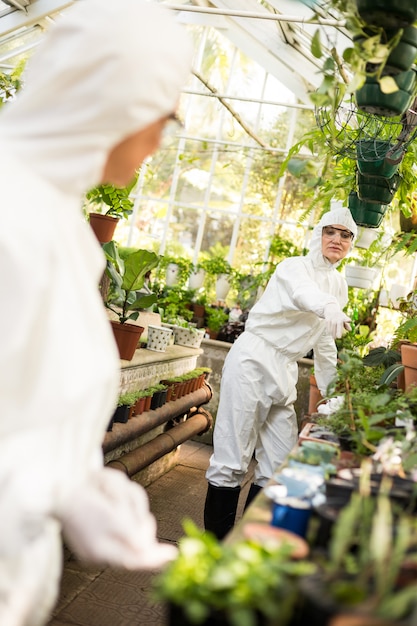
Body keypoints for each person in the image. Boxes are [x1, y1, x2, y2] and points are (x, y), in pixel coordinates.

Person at [0, 1, 192, 625]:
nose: (161, 140)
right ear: (119, 103)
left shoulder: (64, 227)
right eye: (166, 117)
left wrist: (79, 482)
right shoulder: (12, 221)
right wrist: (58, 488)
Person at [204, 206, 358, 539]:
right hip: (254, 359)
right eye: (331, 231)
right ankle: (214, 548)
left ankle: (244, 544)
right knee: (232, 459)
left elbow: (325, 345)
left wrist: (331, 398)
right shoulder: (293, 267)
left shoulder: (339, 285)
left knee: (278, 466)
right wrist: (327, 306)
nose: (337, 239)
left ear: (351, 244)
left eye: (346, 235)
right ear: (318, 234)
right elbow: (305, 295)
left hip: (285, 369)